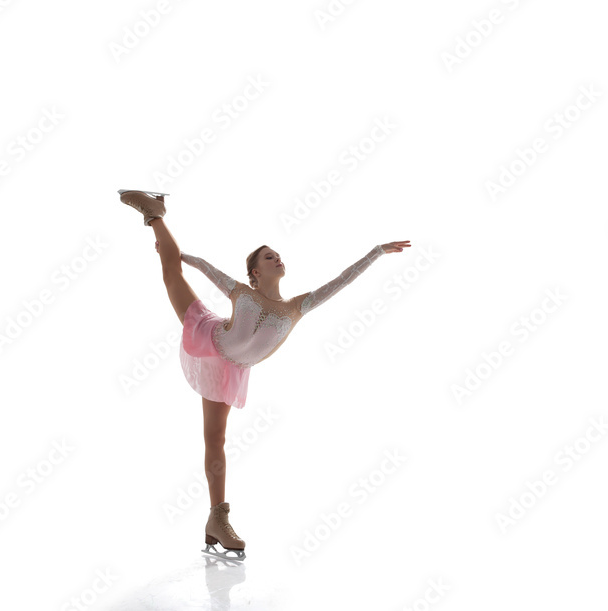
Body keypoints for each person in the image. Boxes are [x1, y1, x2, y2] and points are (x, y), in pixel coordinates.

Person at [118, 189, 411, 560]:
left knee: (215, 442)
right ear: (256, 272)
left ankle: (216, 519)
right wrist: (181, 256)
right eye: (268, 256)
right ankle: (154, 213)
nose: (277, 258)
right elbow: (206, 266)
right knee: (170, 271)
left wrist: (377, 251)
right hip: (207, 334)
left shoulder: (297, 307)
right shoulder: (241, 292)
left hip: (229, 369)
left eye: (278, 255)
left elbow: (342, 280)